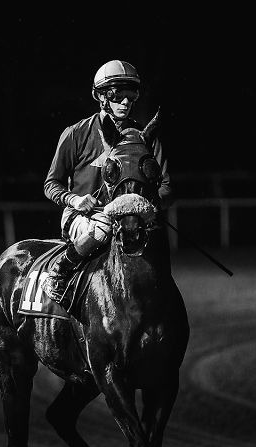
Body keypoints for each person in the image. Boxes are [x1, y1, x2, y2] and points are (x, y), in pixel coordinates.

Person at [41, 59, 172, 304]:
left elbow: (166, 188)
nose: (125, 101)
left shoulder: (146, 138)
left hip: (132, 217)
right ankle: (59, 272)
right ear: (101, 96)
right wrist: (75, 200)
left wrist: (146, 208)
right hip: (84, 216)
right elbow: (51, 184)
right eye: (117, 94)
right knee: (103, 227)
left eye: (131, 94)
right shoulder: (75, 134)